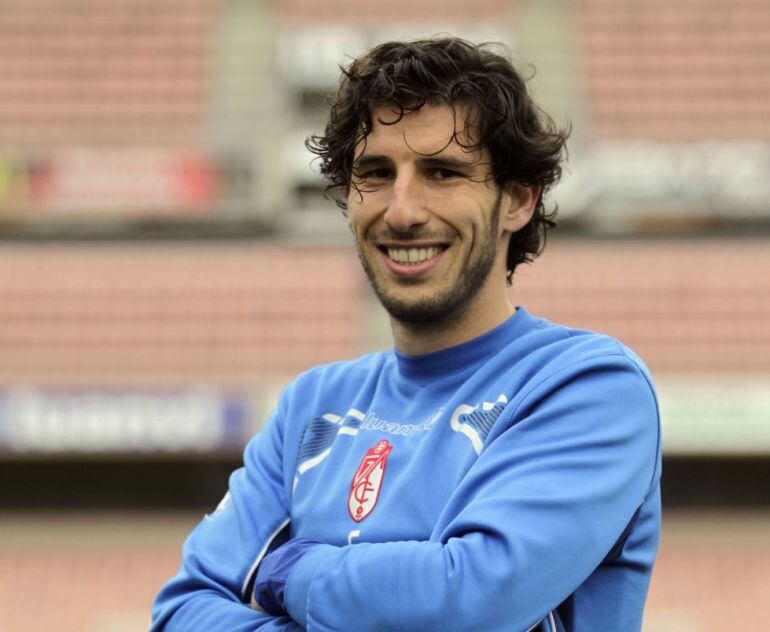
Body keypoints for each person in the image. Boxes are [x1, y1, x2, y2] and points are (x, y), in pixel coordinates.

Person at [151, 37, 661, 631]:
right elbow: (182, 613)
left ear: (518, 200)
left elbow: (467, 602)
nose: (401, 210)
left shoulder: (586, 387)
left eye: (443, 172)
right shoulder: (312, 406)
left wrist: (289, 573)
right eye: (374, 173)